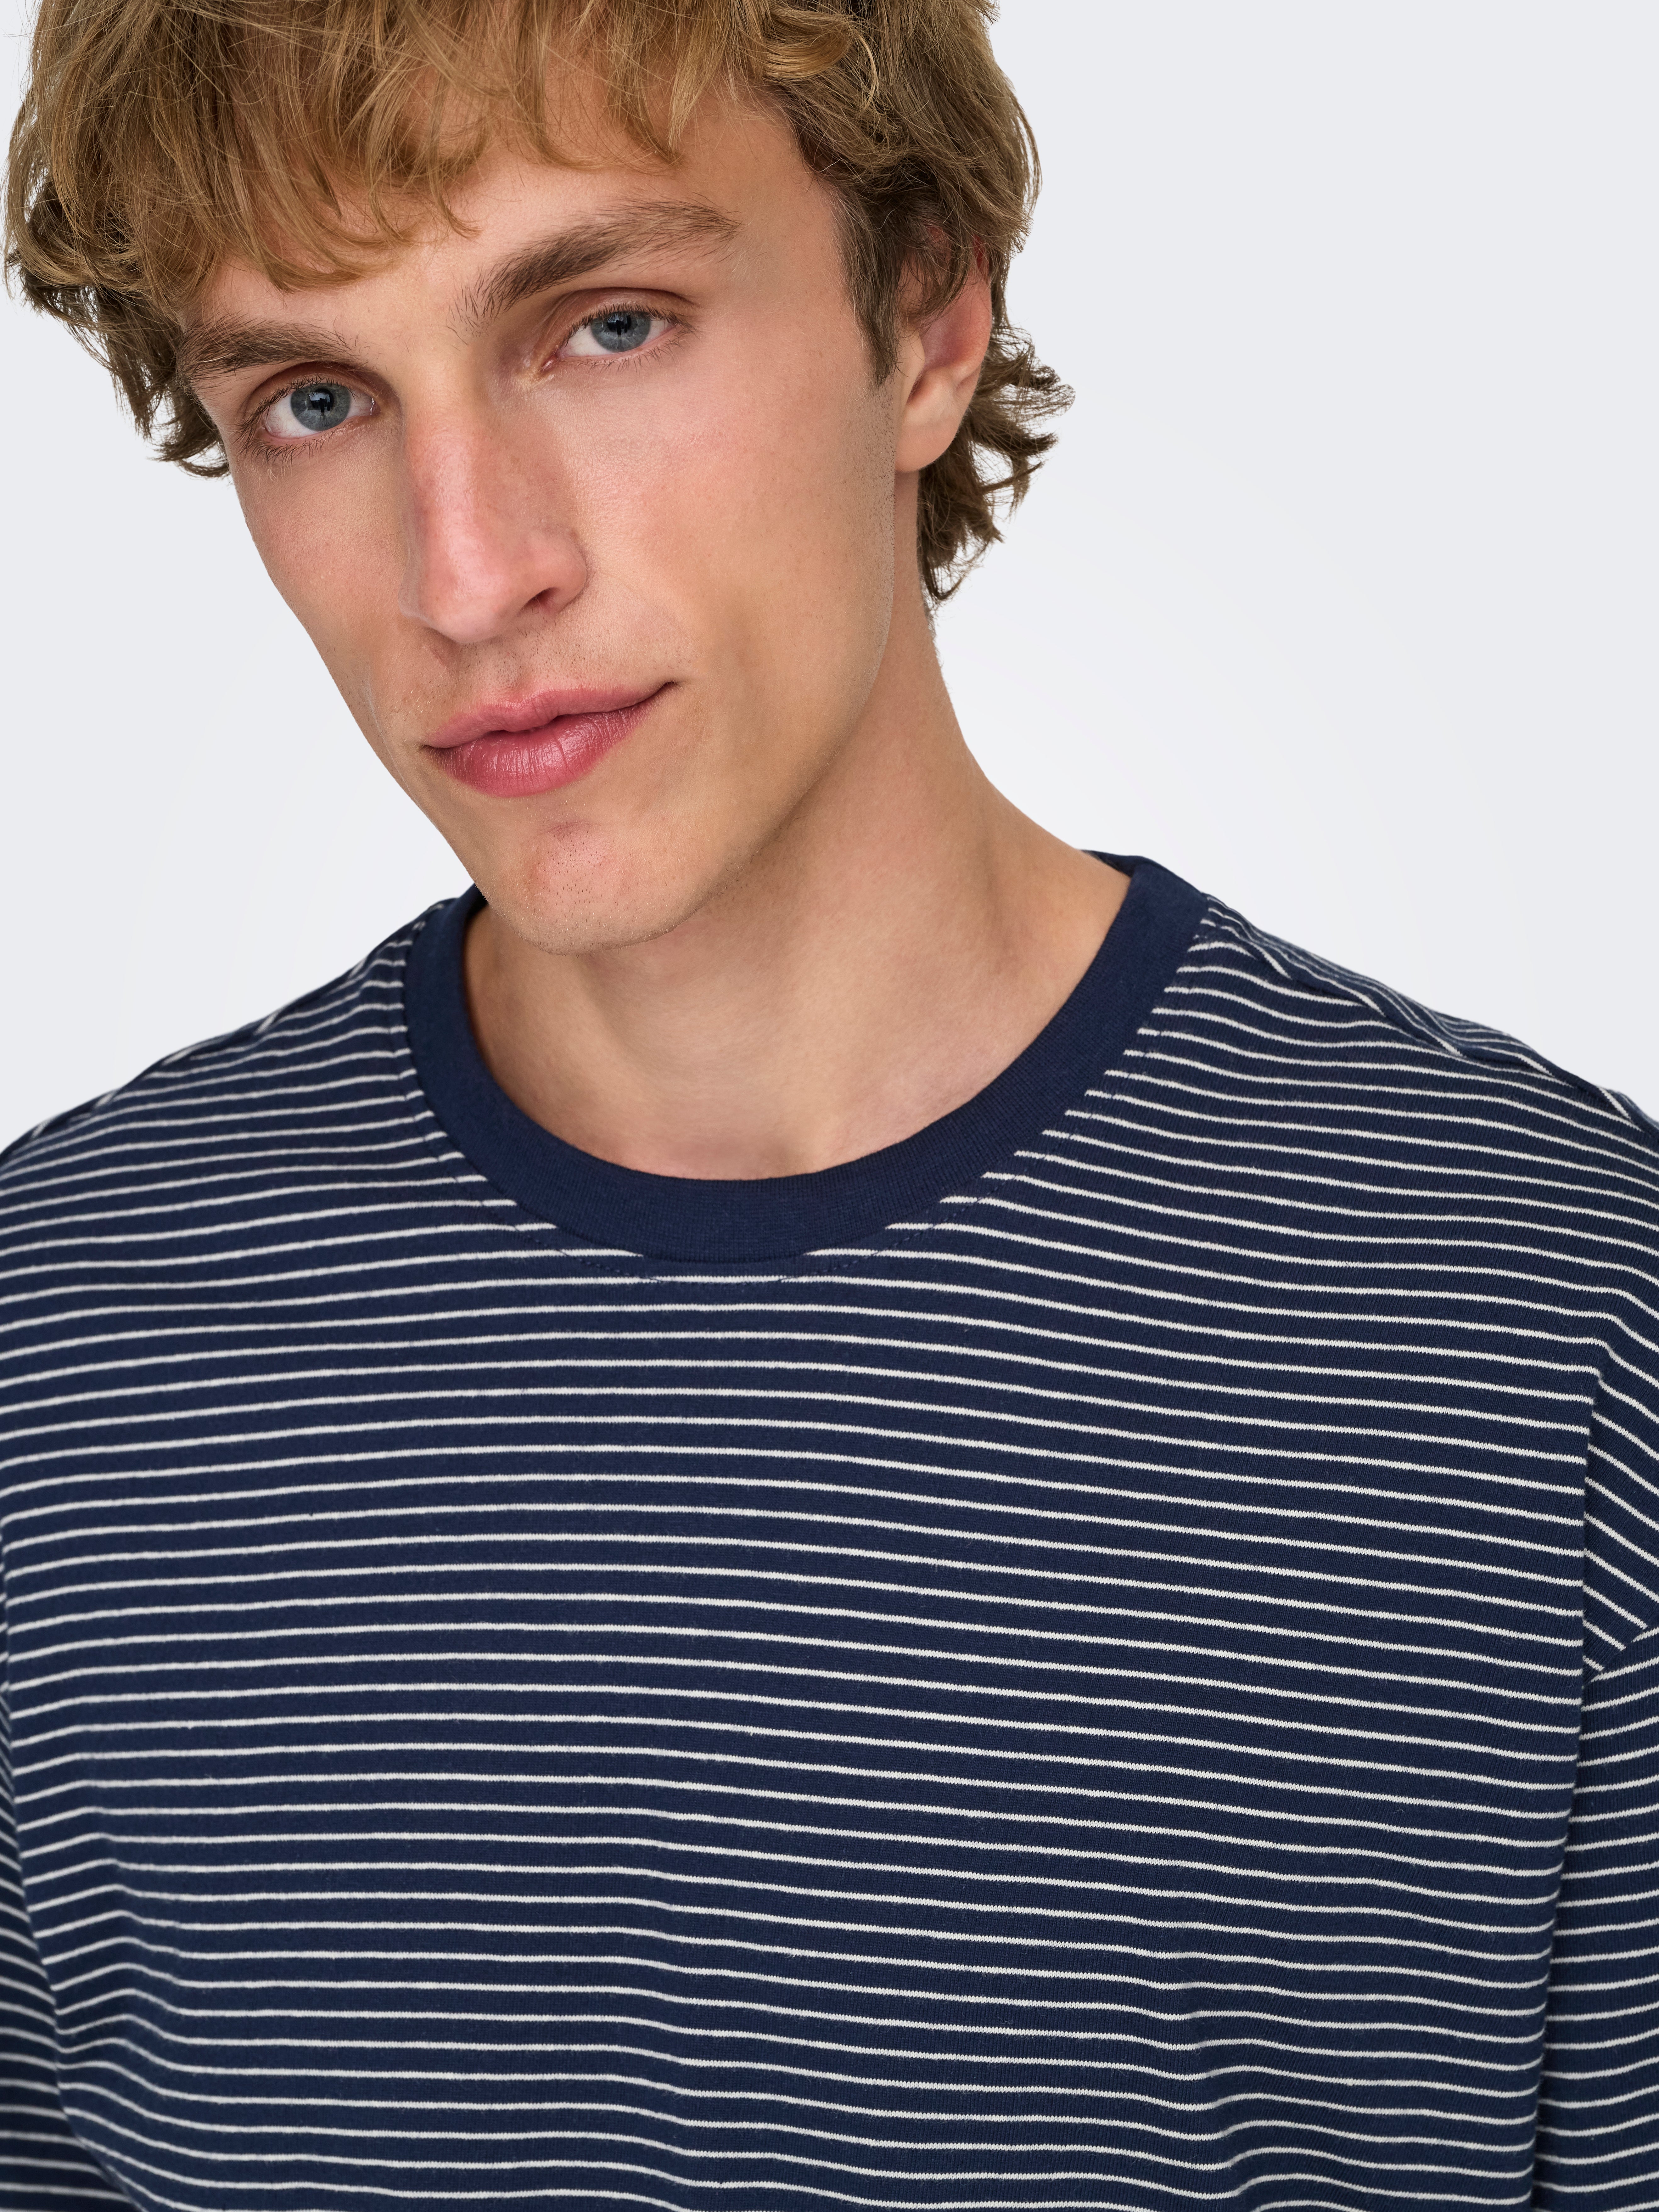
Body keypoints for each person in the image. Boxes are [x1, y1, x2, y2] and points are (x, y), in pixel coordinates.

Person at [3, 1, 1656, 2205]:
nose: (467, 574)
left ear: (929, 320)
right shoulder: (57, 1353)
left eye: (607, 324)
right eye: (316, 398)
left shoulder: (1558, 1327)